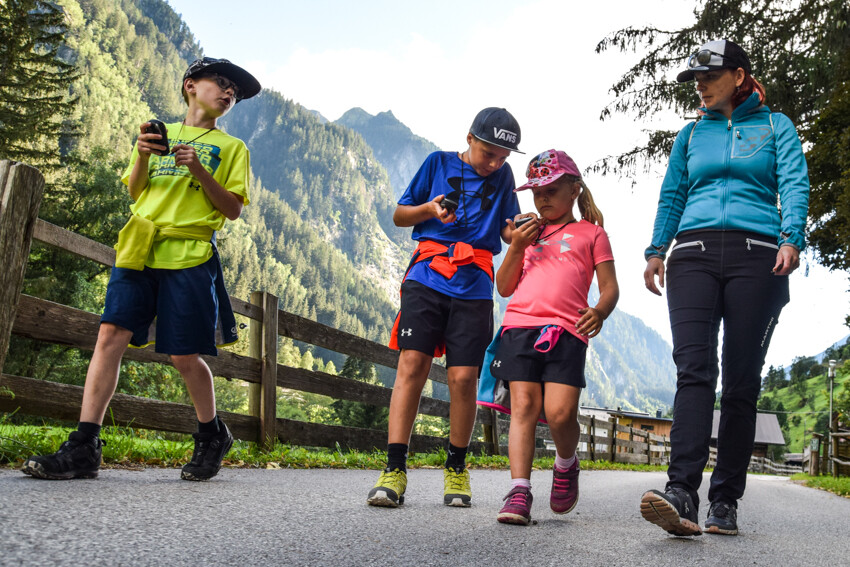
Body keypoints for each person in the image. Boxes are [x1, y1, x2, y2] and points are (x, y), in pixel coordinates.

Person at [22, 57, 261, 482]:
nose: (228, 94)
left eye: (235, 93)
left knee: (184, 354)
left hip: (189, 253)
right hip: (139, 248)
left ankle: (211, 434)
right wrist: (142, 155)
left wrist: (198, 169)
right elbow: (135, 192)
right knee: (109, 335)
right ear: (191, 85)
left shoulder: (232, 148)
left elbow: (233, 209)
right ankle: (84, 445)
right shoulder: (155, 136)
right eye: (221, 83)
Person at [640, 39, 809, 536]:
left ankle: (725, 501)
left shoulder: (775, 127)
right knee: (693, 371)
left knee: (740, 382)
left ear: (738, 76)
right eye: (694, 79)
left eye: (709, 76)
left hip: (758, 256)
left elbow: (795, 183)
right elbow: (673, 192)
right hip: (691, 255)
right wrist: (656, 250)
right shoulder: (691, 136)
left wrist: (791, 237)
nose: (700, 86)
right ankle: (681, 493)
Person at [367, 107, 524, 508]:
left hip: (474, 283)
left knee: (463, 378)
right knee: (412, 364)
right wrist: (430, 210)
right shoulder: (436, 163)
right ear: (469, 139)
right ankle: (394, 469)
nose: (494, 163)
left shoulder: (503, 177)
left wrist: (518, 230)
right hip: (427, 275)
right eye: (488, 153)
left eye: (502, 158)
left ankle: (456, 468)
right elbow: (401, 215)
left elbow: (505, 229)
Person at [480, 149, 618, 525]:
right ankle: (519, 490)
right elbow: (505, 287)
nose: (542, 198)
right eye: (536, 191)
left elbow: (609, 289)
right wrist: (518, 246)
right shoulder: (528, 233)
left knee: (559, 413)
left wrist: (600, 312)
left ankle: (566, 462)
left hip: (567, 331)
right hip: (520, 326)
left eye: (551, 189)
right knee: (523, 406)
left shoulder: (592, 234)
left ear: (574, 189)